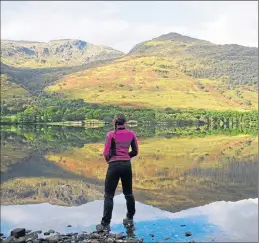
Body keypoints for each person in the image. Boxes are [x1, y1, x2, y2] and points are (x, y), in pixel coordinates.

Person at [96, 113, 139, 232]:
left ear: (115, 122)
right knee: (128, 194)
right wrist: (126, 156)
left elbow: (106, 153)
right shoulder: (131, 134)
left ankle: (105, 224)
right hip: (126, 165)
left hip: (114, 166)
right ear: (125, 122)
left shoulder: (111, 134)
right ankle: (129, 218)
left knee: (109, 195)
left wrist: (109, 160)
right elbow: (135, 151)